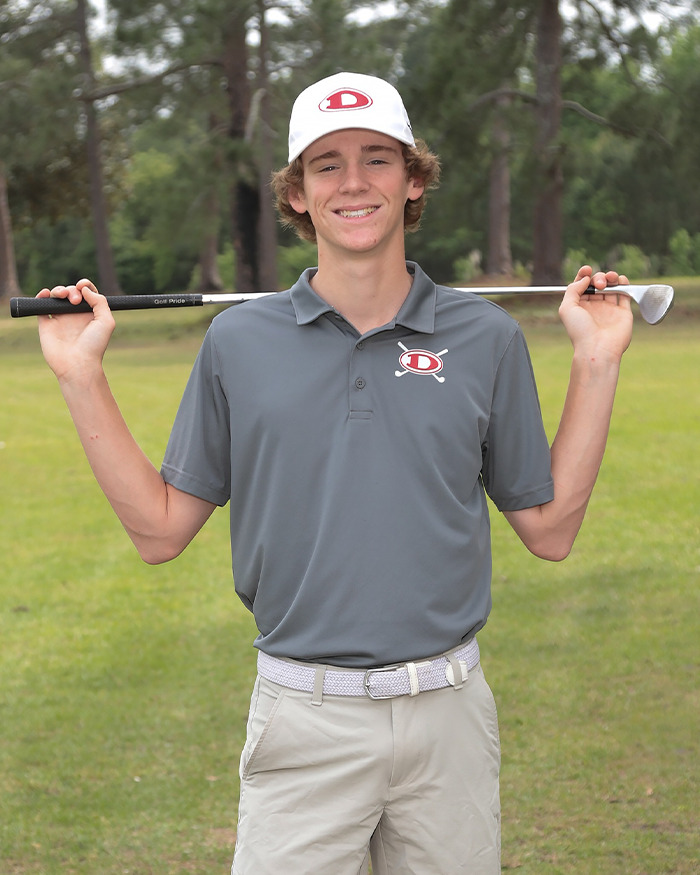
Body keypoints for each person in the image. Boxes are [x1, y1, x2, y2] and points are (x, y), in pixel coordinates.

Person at [36, 72, 633, 874]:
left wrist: (597, 361)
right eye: (326, 164)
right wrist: (81, 375)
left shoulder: (486, 337)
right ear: (296, 194)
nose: (353, 182)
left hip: (448, 717)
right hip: (302, 717)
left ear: (413, 178)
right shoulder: (237, 341)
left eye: (377, 158)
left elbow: (551, 532)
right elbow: (159, 531)